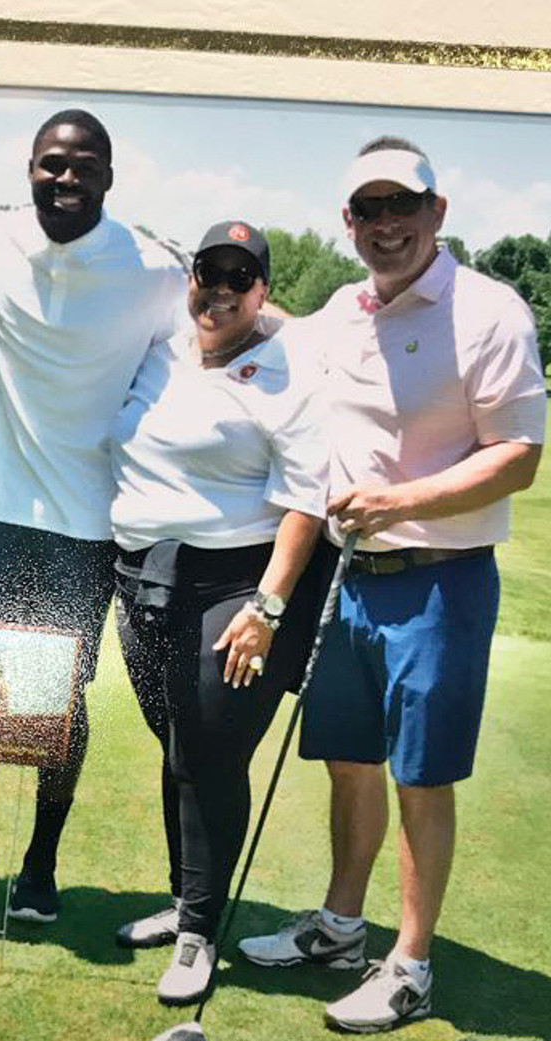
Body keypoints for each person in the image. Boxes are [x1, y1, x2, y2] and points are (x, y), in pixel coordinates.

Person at [238, 139, 545, 1032]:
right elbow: (276, 332)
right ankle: (339, 925)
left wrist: (401, 499)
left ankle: (409, 959)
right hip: (352, 580)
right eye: (367, 210)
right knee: (350, 759)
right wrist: (207, 290)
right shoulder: (342, 309)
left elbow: (519, 457)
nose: (385, 225)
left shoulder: (489, 311)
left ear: (437, 212)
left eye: (400, 206)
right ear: (349, 223)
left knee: (421, 775)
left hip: (439, 581)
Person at [0, 109, 187, 923]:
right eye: (50, 164)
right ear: (29, 169)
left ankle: (41, 860)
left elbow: (227, 322)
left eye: (83, 165)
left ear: (108, 175)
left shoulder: (153, 268)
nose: (65, 178)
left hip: (89, 527)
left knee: (58, 704)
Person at [108, 221, 329, 1003]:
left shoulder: (286, 367)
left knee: (208, 752)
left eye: (243, 276)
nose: (222, 288)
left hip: (235, 584)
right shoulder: (162, 346)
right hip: (141, 579)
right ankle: (182, 902)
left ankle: (200, 931)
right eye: (211, 271)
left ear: (264, 291)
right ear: (191, 275)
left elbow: (307, 497)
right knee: (176, 745)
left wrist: (267, 607)